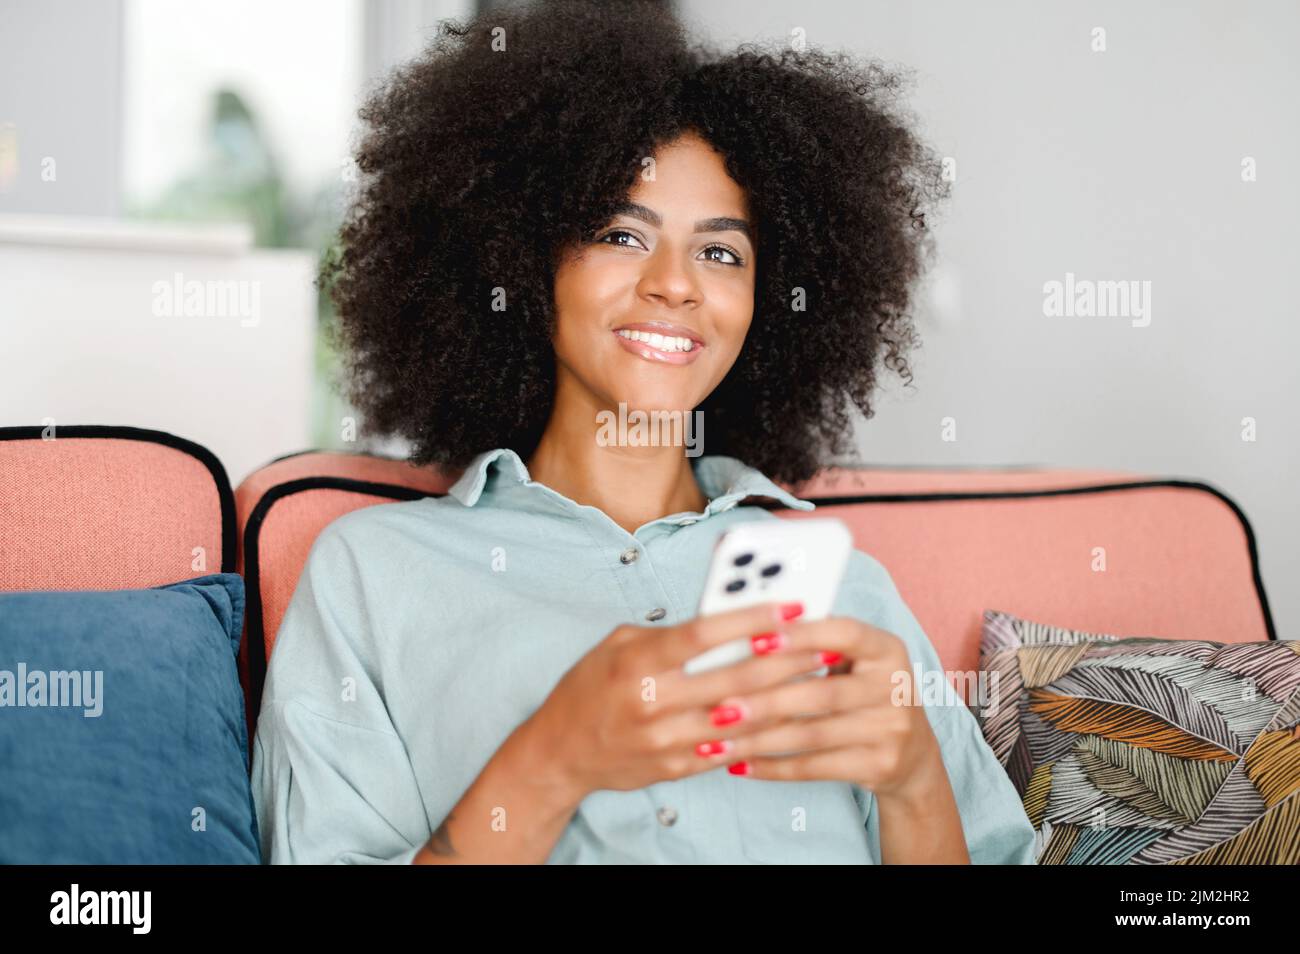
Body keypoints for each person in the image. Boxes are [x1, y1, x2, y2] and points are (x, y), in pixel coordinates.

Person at [250, 0, 1037, 865]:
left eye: (722, 252)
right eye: (621, 233)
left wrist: (915, 780)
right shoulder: (373, 574)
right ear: (518, 257)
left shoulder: (852, 592)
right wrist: (551, 759)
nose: (676, 285)